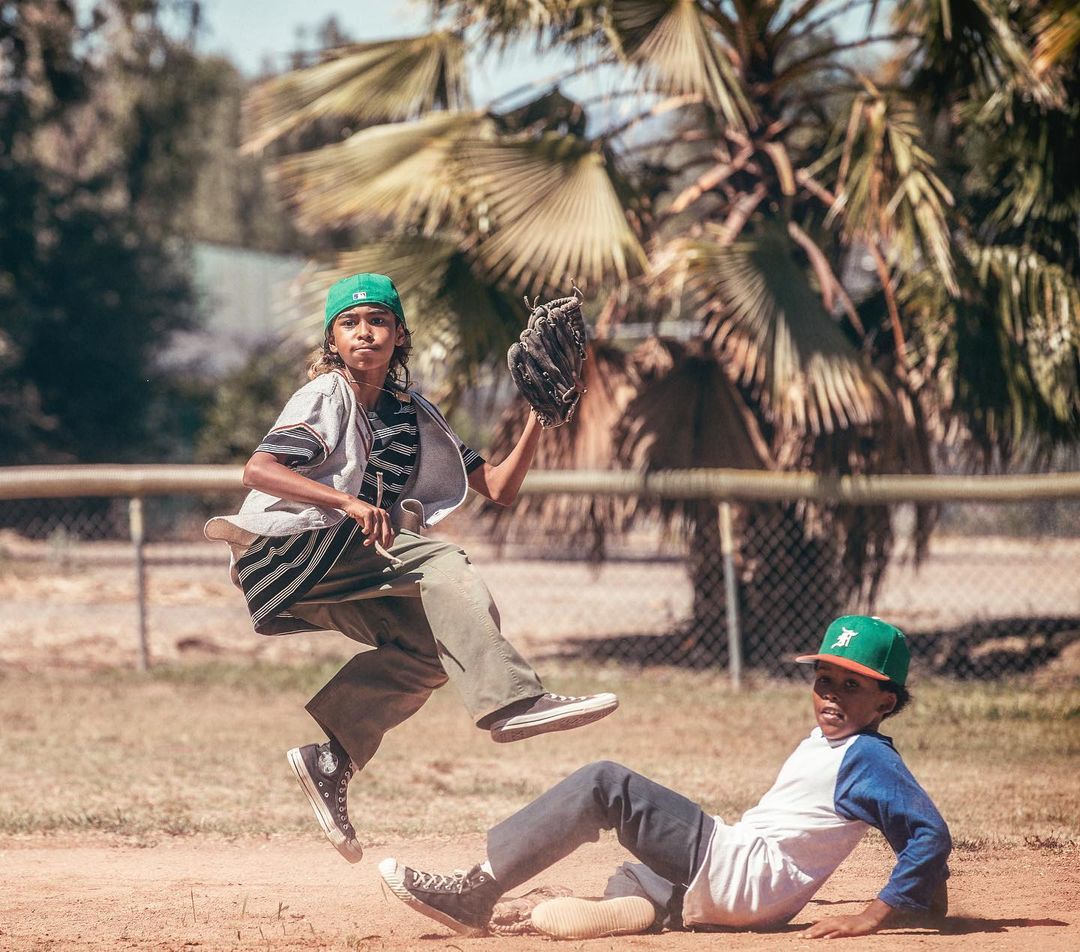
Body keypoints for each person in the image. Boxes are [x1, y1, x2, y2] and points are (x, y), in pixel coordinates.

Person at [204, 272, 617, 863]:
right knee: (443, 562)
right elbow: (259, 470)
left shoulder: (411, 414)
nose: (364, 332)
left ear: (400, 335)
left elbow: (497, 487)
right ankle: (512, 701)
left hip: (340, 563)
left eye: (378, 321)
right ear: (332, 341)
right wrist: (347, 501)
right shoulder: (325, 396)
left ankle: (331, 759)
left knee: (428, 651)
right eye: (349, 323)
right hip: (290, 550)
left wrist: (536, 416)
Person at [378, 615, 951, 940]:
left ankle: (474, 893)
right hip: (758, 898)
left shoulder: (868, 757)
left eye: (852, 686)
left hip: (742, 868)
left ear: (886, 700)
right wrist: (926, 902)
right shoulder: (846, 746)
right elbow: (910, 831)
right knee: (639, 870)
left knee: (607, 783)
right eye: (825, 680)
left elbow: (929, 834)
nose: (831, 695)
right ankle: (646, 907)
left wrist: (875, 914)